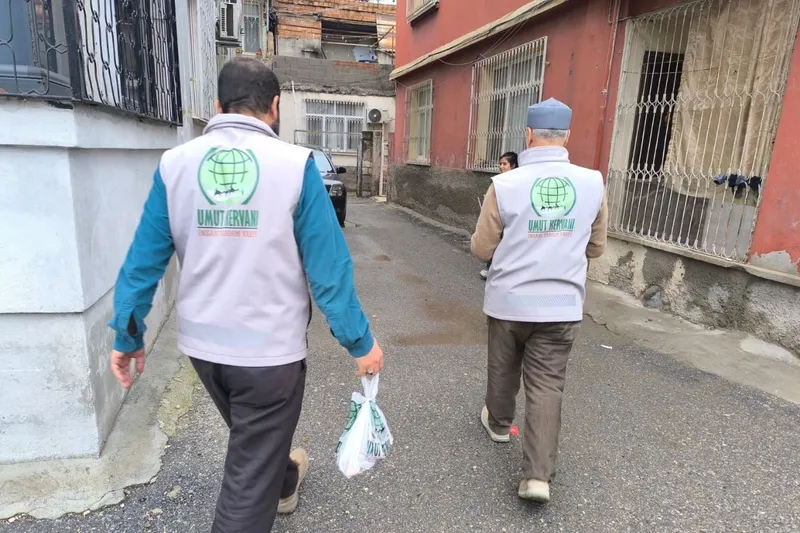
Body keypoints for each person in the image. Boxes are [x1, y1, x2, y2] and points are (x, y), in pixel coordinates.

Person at [107, 57, 384, 532]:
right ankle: (268, 490)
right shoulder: (294, 166)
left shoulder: (175, 165)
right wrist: (360, 342)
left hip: (204, 350)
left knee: (256, 437)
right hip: (268, 354)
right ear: (274, 107)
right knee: (247, 479)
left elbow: (143, 259)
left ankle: (284, 482)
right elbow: (328, 269)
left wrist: (127, 334)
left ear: (217, 106)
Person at [470, 98, 608, 503]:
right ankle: (538, 478)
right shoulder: (593, 182)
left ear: (528, 135)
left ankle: (499, 424)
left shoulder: (505, 185)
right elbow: (597, 247)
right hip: (562, 303)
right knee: (547, 384)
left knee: (503, 365)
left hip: (510, 300)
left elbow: (482, 248)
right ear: (567, 136)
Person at [479, 152, 518, 281]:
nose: (501, 166)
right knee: (496, 239)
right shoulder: (498, 181)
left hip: (512, 217)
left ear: (513, 165)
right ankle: (490, 267)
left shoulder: (518, 181)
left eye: (504, 164)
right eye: (500, 164)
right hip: (499, 217)